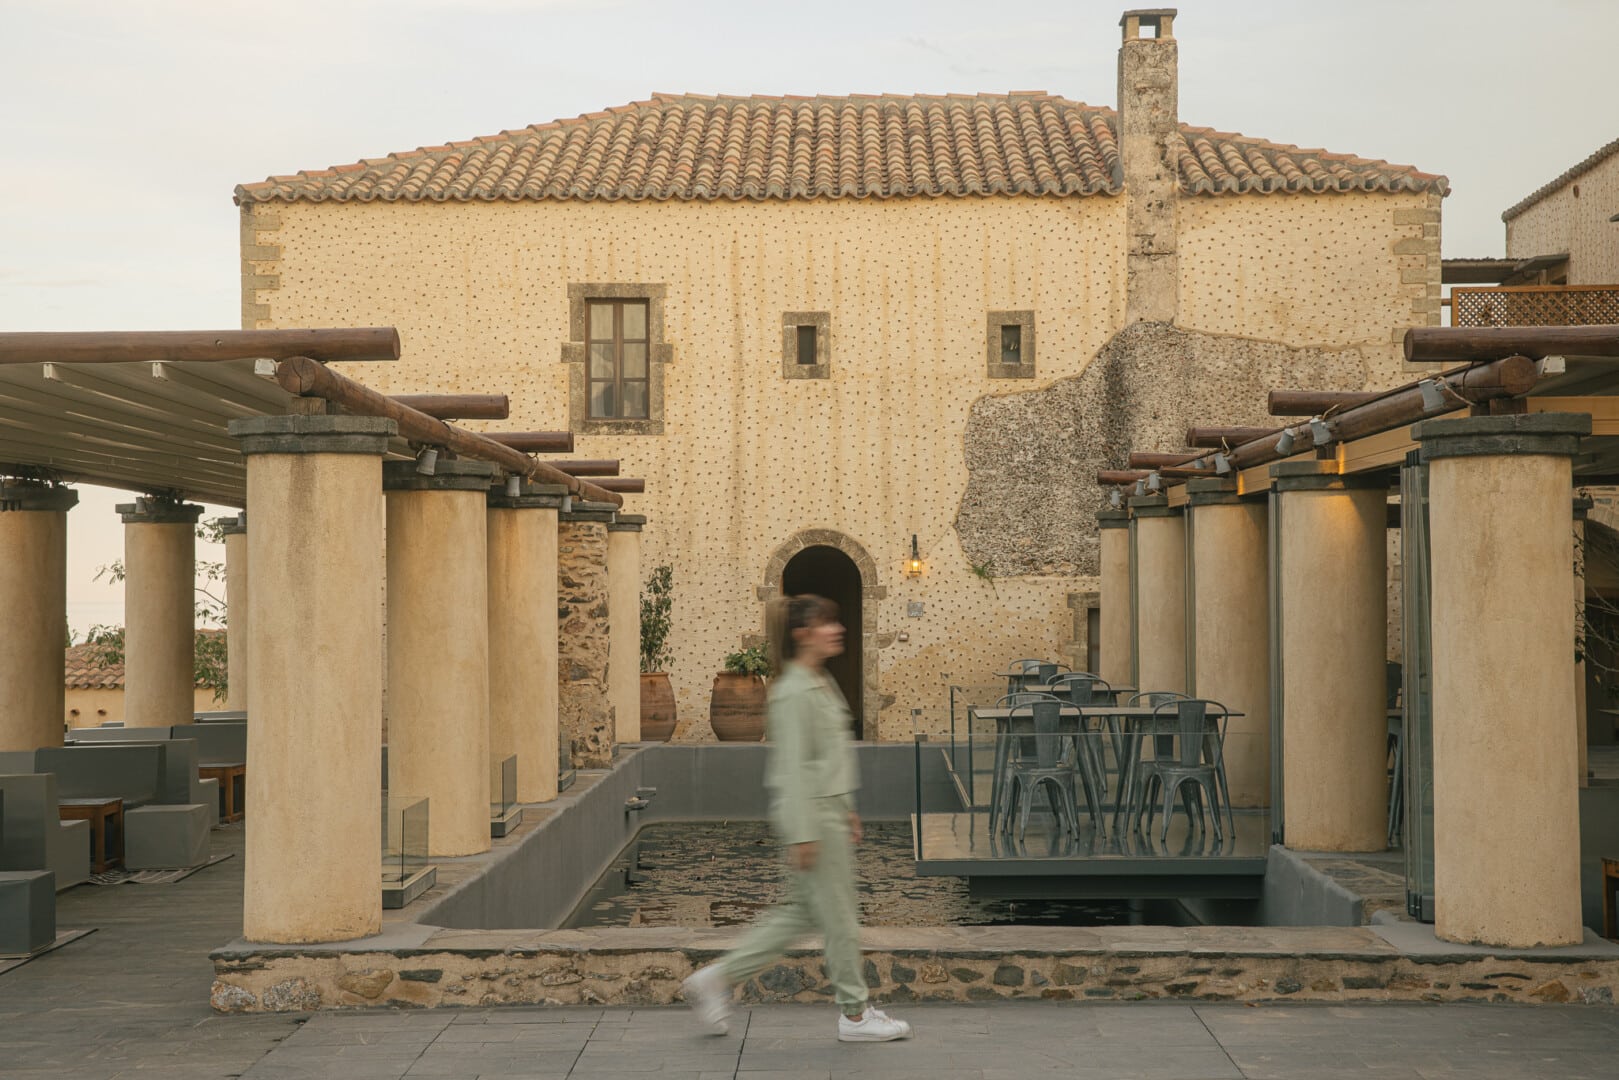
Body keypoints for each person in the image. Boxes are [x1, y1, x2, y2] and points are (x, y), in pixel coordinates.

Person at [682, 594, 911, 1043]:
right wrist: (804, 832)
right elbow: (789, 769)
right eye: (827, 624)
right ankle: (856, 1016)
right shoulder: (791, 692)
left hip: (828, 813)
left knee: (797, 916)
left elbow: (825, 758)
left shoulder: (819, 682)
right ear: (803, 634)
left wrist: (847, 809)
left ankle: (716, 979)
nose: (837, 630)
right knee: (841, 919)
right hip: (814, 820)